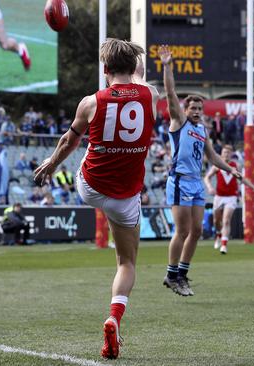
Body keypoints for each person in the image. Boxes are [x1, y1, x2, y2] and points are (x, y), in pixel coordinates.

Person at [33, 38, 158, 360]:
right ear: (135, 68)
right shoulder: (151, 96)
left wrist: (51, 164)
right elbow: (141, 82)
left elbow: (67, 140)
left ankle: (97, 153)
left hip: (89, 187)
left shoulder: (90, 102)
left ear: (104, 69)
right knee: (127, 262)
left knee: (89, 142)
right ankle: (114, 317)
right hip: (125, 196)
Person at [159, 45, 242, 296]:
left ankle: (182, 275)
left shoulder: (202, 130)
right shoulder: (179, 122)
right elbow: (171, 92)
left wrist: (231, 170)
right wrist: (167, 65)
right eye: (193, 108)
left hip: (195, 182)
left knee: (197, 231)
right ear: (185, 110)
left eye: (199, 109)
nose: (196, 112)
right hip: (180, 180)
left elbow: (213, 157)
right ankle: (171, 274)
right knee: (182, 230)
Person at [204, 145, 254, 254]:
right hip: (219, 196)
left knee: (226, 220)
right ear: (221, 153)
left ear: (231, 154)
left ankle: (224, 245)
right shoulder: (217, 165)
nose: (226, 154)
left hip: (231, 197)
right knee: (216, 221)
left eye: (228, 153)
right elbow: (206, 177)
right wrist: (209, 187)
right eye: (224, 152)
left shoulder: (234, 166)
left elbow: (242, 178)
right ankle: (218, 234)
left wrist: (252, 187)